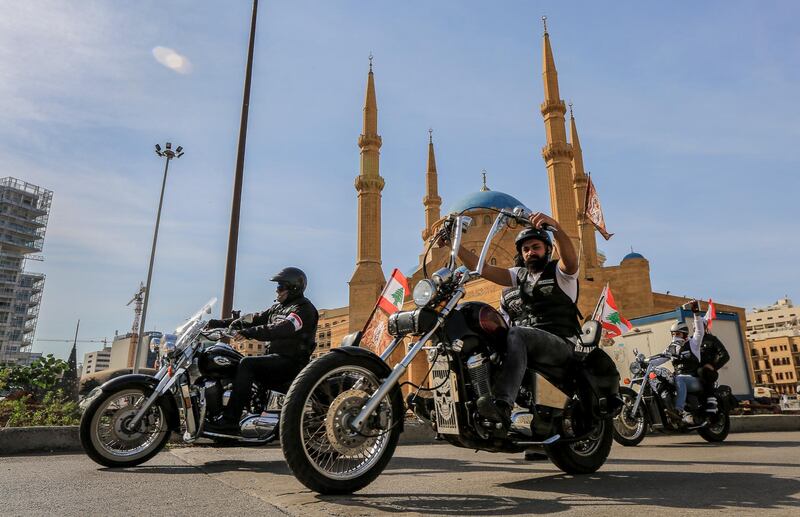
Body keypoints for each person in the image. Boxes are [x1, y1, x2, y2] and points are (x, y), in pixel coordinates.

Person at [440, 211, 580, 428]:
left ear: (548, 250)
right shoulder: (519, 276)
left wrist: (557, 229)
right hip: (528, 342)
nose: (530, 252)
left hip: (560, 341)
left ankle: (502, 403)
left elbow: (570, 260)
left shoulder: (562, 274)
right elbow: (483, 269)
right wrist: (454, 245)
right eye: (525, 249)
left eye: (536, 247)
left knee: (516, 333)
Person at [204, 267, 319, 435]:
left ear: (293, 287)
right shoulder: (277, 308)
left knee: (247, 364)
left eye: (280, 286)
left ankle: (230, 421)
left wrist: (249, 333)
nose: (277, 290)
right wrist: (217, 323)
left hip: (291, 362)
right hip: (275, 358)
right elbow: (255, 319)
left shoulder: (304, 310)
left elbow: (282, 328)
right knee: (232, 362)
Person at [669, 301, 706, 424]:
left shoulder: (693, 343)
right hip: (679, 378)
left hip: (694, 379)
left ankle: (679, 410)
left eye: (678, 334)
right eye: (673, 334)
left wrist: (696, 314)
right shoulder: (672, 347)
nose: (675, 337)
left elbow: (700, 331)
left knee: (679, 379)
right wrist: (646, 361)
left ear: (684, 334)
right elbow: (660, 358)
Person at [698, 322, 730, 415]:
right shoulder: (690, 341)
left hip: (708, 372)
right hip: (692, 370)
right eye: (695, 327)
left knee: (702, 372)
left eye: (700, 326)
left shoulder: (712, 339)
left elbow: (725, 355)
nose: (697, 328)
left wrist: (713, 366)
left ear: (705, 328)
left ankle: (711, 402)